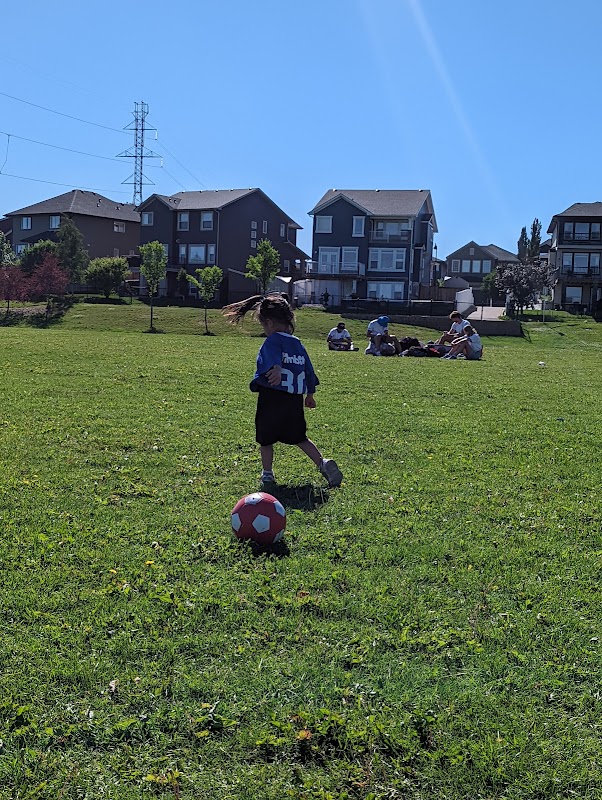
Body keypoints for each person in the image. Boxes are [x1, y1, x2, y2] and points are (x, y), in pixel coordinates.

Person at [222, 294, 343, 488]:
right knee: (299, 437)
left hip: (272, 397)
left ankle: (267, 474)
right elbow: (309, 370)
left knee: (266, 438)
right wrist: (310, 394)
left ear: (269, 322)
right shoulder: (298, 343)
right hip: (294, 399)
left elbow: (272, 356)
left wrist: (276, 367)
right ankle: (323, 463)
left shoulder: (272, 341)